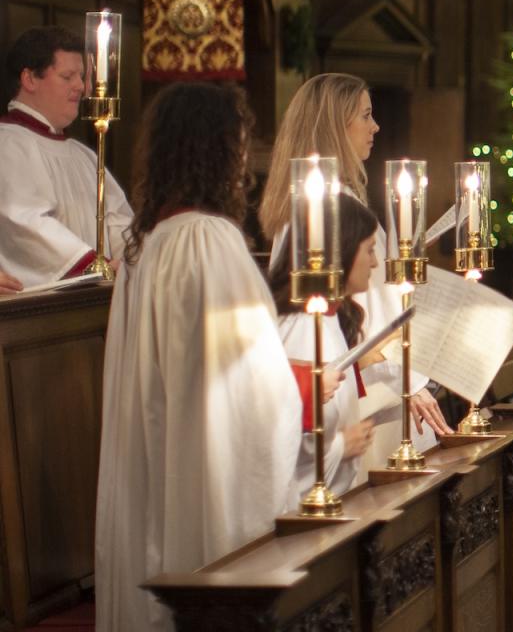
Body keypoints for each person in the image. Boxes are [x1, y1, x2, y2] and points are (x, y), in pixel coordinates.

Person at [94, 83, 302, 630]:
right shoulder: (210, 240)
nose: (242, 160)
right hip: (205, 470)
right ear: (214, 150)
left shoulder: (149, 242)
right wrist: (305, 390)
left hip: (166, 458)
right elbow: (255, 391)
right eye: (237, 143)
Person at [258, 73, 452, 455]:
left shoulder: (317, 200)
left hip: (367, 380)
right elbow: (362, 309)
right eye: (365, 115)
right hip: (365, 390)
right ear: (335, 125)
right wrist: (412, 382)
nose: (375, 126)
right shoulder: (328, 205)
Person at [267, 196, 382, 500]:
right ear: (343, 250)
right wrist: (342, 446)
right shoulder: (303, 327)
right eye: (369, 250)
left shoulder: (329, 318)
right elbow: (282, 434)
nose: (375, 262)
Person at [0, 26, 133, 286]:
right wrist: (92, 266)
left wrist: (134, 263)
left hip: (96, 298)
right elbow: (24, 223)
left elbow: (118, 220)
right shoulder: (9, 143)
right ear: (29, 79)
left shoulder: (84, 156)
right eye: (67, 76)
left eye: (82, 76)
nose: (82, 87)